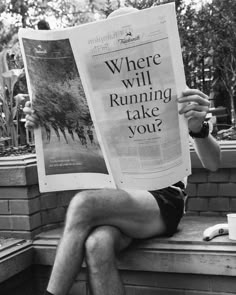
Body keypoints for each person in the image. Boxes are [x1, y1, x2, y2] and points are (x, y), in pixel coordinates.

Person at [23, 7, 221, 295]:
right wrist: (42, 121)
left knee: (83, 204)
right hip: (119, 200)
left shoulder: (177, 89)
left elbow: (213, 163)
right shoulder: (93, 96)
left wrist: (198, 127)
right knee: (97, 244)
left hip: (162, 201)